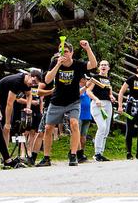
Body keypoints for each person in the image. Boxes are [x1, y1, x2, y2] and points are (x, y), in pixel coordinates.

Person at [38, 39, 98, 167]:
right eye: (61, 51)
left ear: (71, 53)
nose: (63, 54)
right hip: (57, 101)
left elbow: (93, 64)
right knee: (48, 128)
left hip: (73, 101)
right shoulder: (55, 62)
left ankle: (73, 154)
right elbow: (48, 79)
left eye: (65, 51)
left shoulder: (77, 64)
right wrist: (58, 65)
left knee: (74, 123)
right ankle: (46, 158)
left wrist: (87, 48)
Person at [117, 62, 138, 160]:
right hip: (130, 106)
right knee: (130, 129)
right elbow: (121, 92)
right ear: (137, 69)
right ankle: (129, 153)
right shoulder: (131, 79)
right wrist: (120, 106)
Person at [86, 60, 114, 162]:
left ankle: (101, 153)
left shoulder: (108, 79)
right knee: (102, 127)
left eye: (105, 65)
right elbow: (88, 91)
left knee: (106, 130)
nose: (103, 66)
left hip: (108, 105)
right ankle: (97, 153)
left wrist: (111, 97)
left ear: (108, 68)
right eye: (101, 65)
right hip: (97, 104)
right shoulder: (95, 78)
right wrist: (96, 99)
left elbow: (109, 91)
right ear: (99, 67)